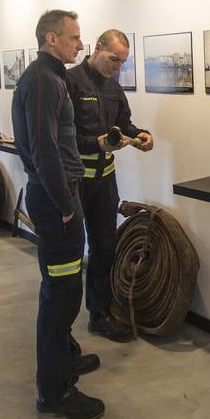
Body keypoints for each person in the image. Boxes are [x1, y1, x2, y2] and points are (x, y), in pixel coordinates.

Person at [12, 9, 104, 419]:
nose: (80, 45)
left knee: (63, 288)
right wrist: (66, 205)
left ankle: (64, 358)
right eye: (74, 38)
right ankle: (54, 390)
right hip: (56, 200)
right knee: (61, 294)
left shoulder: (49, 78)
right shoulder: (43, 81)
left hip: (60, 193)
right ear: (52, 38)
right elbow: (44, 150)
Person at [65, 29, 154, 343]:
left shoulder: (115, 88)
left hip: (104, 183)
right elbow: (60, 137)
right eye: (113, 59)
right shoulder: (69, 82)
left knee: (104, 248)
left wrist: (140, 134)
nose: (117, 67)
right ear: (97, 48)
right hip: (74, 183)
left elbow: (125, 123)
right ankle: (62, 326)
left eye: (122, 62)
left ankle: (99, 314)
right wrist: (94, 144)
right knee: (70, 256)